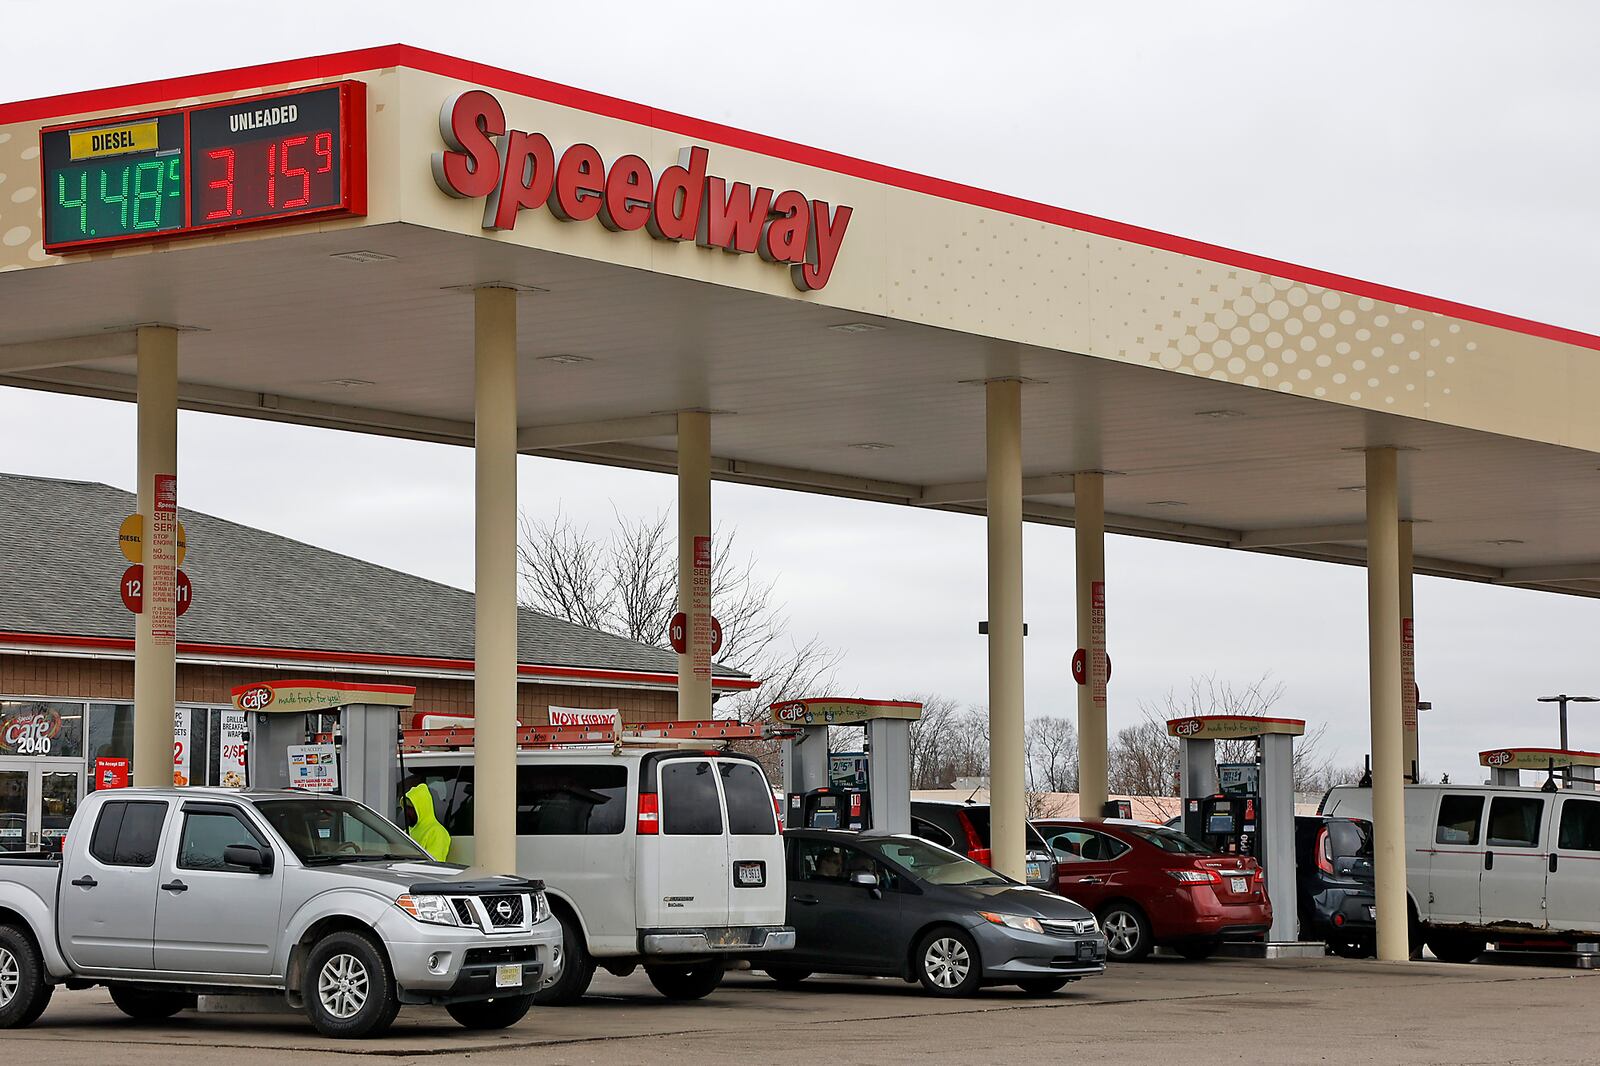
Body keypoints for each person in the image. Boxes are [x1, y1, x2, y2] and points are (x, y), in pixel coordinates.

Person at [403, 781, 451, 861]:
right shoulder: (406, 832)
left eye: (410, 808)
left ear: (422, 808)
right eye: (405, 808)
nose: (406, 812)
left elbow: (433, 865)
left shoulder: (437, 832)